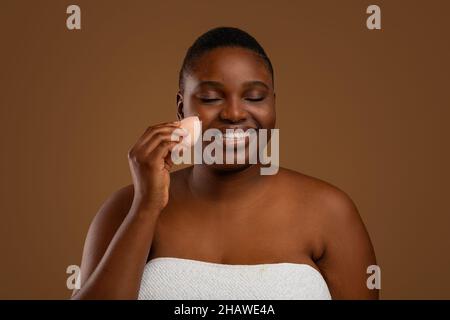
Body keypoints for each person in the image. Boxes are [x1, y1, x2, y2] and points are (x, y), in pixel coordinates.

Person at [71, 26, 378, 300]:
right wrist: (146, 206)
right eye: (210, 98)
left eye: (255, 97)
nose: (233, 113)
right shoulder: (126, 207)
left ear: (273, 105)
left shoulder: (329, 212)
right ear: (182, 108)